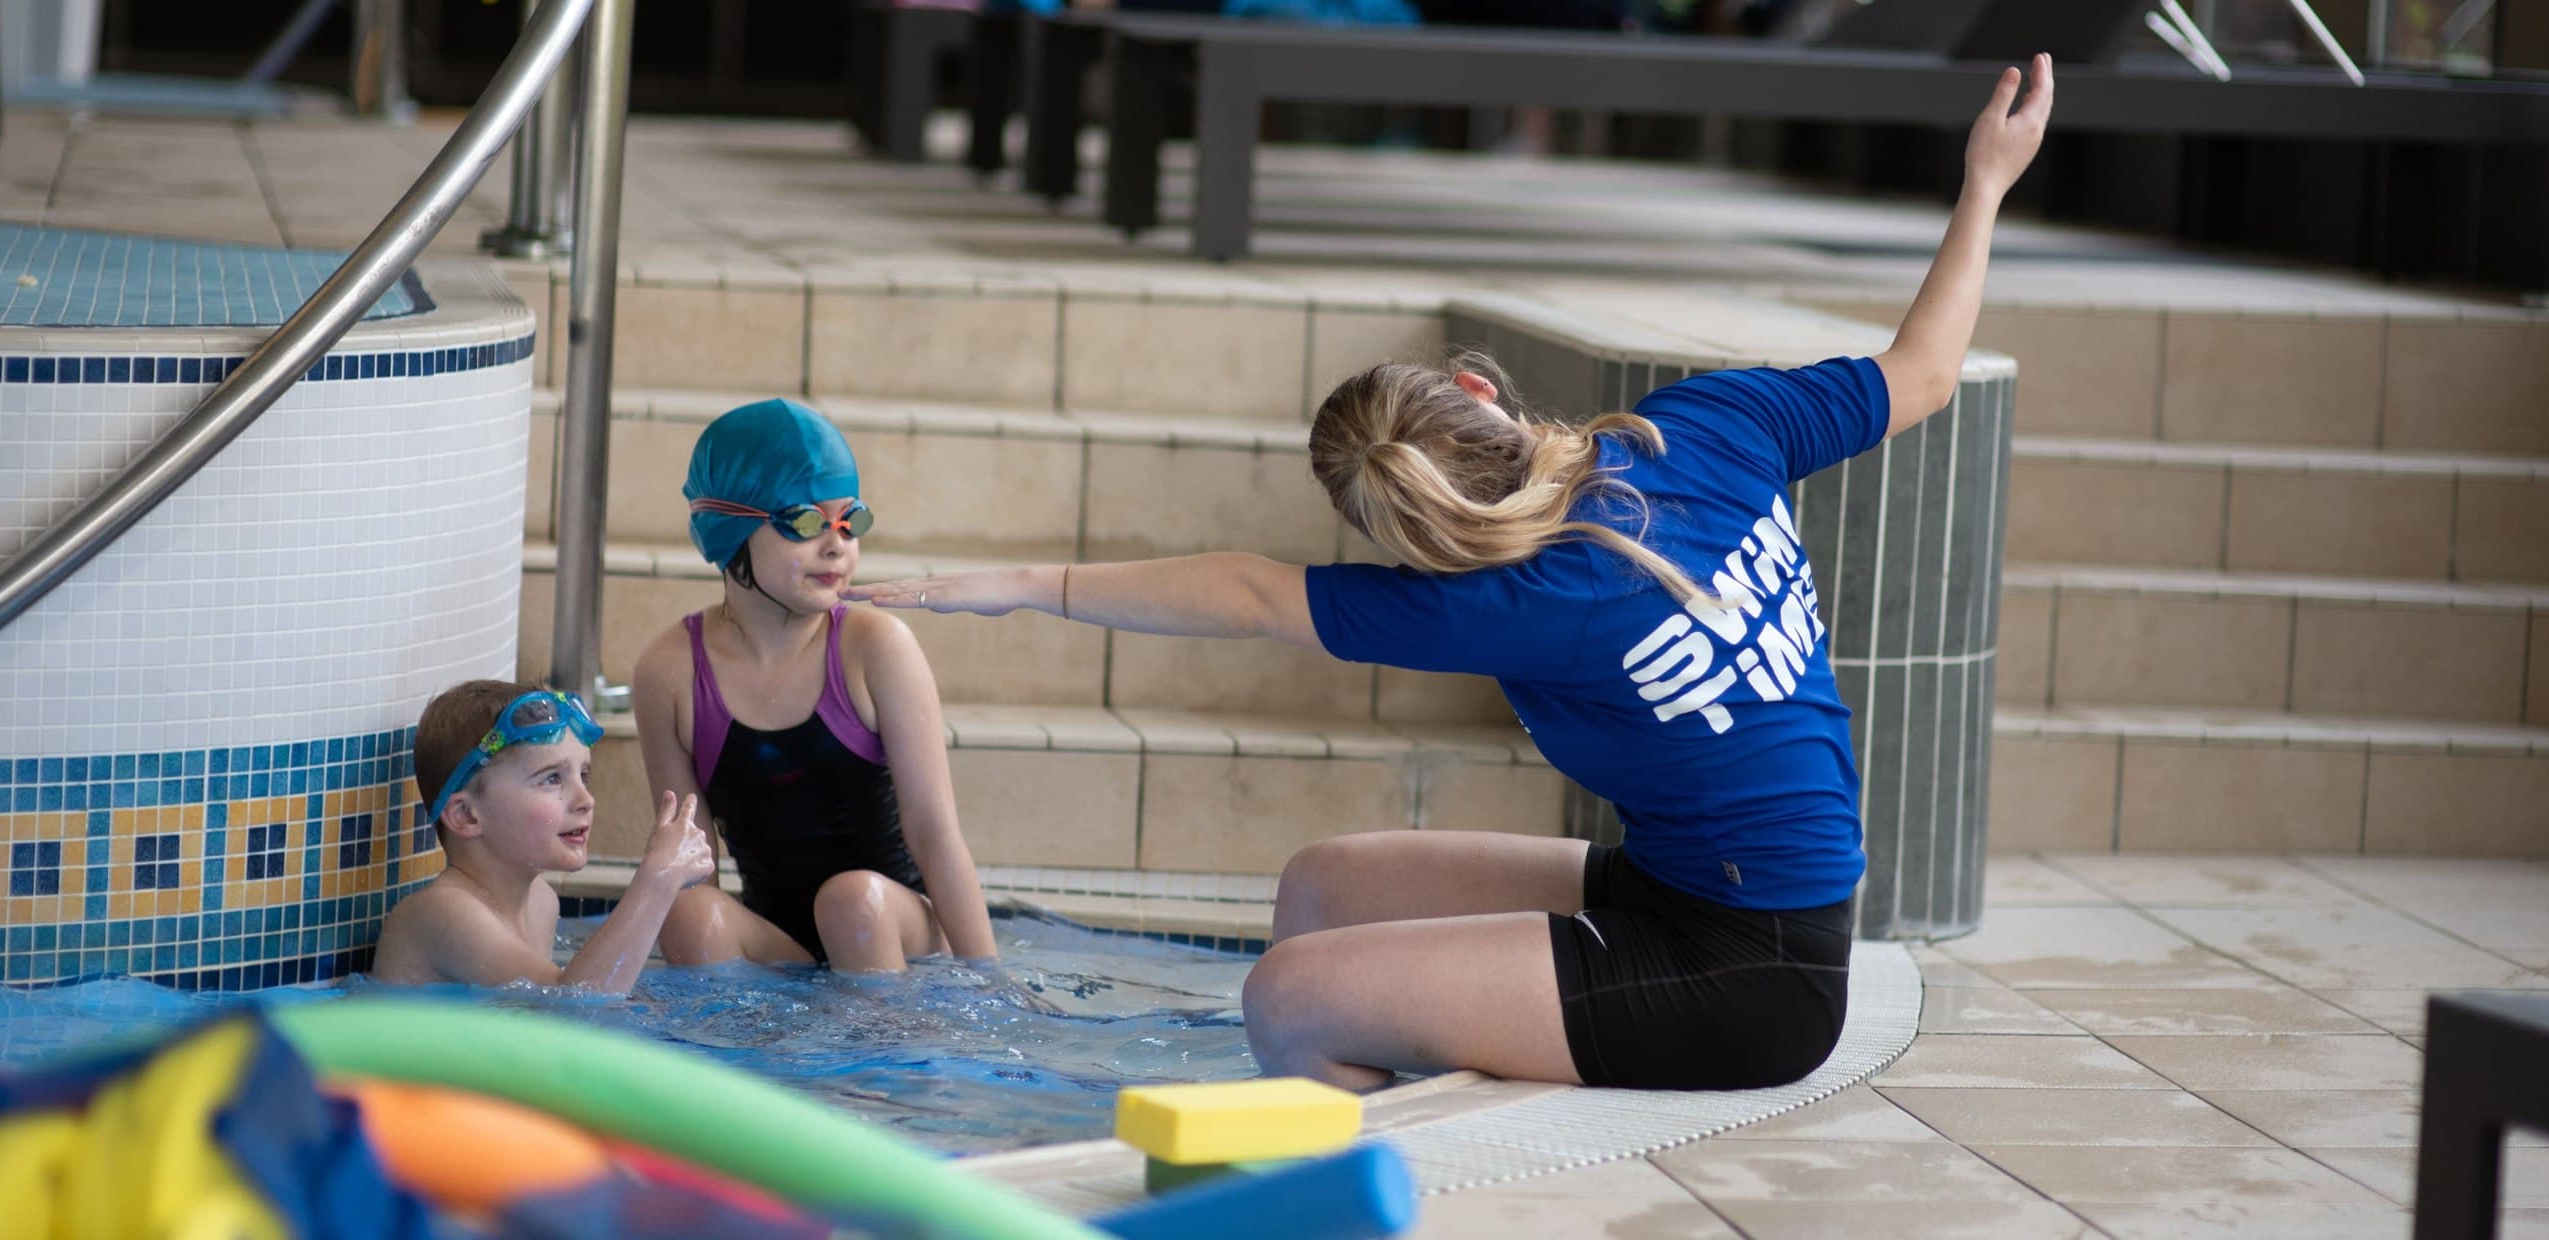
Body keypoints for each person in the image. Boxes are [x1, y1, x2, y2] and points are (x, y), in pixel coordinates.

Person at [846, 56, 2052, 1089]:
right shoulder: (1706, 428)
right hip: (1683, 885)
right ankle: (1357, 1094)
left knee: (1289, 998)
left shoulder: (1513, 605)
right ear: (1478, 393)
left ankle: (1359, 1171)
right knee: (1322, 890)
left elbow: (1256, 596)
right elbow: (1925, 372)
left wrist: (1019, 582)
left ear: (1406, 532)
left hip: (1756, 972)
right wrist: (1983, 182)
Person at [631, 399, 998, 973]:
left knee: (852, 901)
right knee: (689, 912)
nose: (836, 544)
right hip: (779, 944)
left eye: (852, 521)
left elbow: (935, 833)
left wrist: (988, 981)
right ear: (730, 530)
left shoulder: (875, 647)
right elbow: (688, 862)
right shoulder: (669, 673)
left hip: (897, 927)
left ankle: (884, 1052)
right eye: (804, 521)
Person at [372, 681, 714, 991]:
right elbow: (575, 1008)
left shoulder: (542, 902)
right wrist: (656, 882)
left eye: (584, 775)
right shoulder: (442, 912)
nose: (585, 800)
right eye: (552, 779)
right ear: (466, 815)